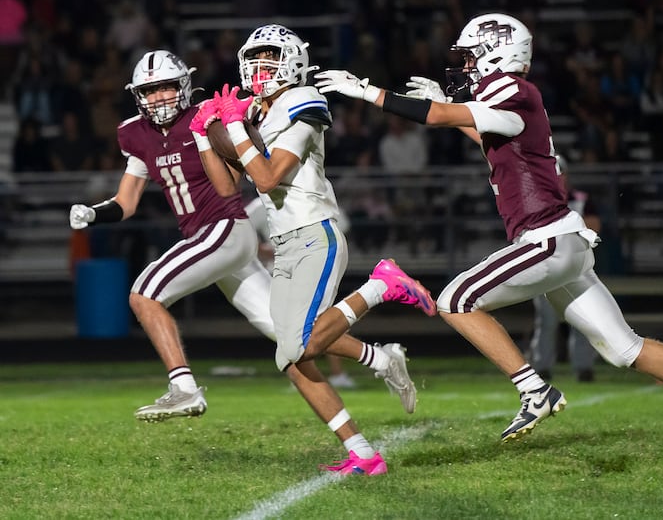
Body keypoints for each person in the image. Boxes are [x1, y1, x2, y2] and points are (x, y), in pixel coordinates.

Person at [314, 12, 663, 465]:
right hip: (563, 243)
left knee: (455, 300)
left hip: (546, 240)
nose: (466, 68)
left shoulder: (511, 89)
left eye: (472, 58)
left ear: (497, 54)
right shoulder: (515, 100)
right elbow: (487, 137)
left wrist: (367, 92)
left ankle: (534, 390)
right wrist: (452, 115)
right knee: (625, 349)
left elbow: (438, 117)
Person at [68, 49, 419, 424]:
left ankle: (183, 386)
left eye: (167, 88)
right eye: (150, 91)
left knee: (144, 293)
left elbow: (234, 181)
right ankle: (381, 358)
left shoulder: (206, 120)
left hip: (223, 228)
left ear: (183, 86)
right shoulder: (134, 133)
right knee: (287, 335)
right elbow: (127, 201)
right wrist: (95, 213)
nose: (159, 98)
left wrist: (220, 131)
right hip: (210, 242)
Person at [192, 25, 436, 476]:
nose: (260, 70)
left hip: (314, 234)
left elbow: (267, 177)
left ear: (293, 63)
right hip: (285, 245)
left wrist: (230, 126)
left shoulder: (303, 102)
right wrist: (203, 134)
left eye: (270, 60)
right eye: (255, 60)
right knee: (291, 357)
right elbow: (227, 186)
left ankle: (382, 287)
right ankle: (364, 452)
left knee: (300, 343)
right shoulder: (260, 115)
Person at [244, 196, 357, 390]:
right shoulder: (261, 204)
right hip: (282, 271)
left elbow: (341, 226)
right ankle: (305, 376)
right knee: (293, 326)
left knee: (324, 322)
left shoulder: (312, 192)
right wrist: (262, 250)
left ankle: (340, 372)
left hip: (314, 263)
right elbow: (240, 231)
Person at [529, 155, 598, 383]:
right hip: (547, 267)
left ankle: (583, 366)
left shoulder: (581, 198)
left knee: (583, 319)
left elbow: (594, 228)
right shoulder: (537, 200)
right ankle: (542, 367)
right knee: (546, 321)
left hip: (576, 266)